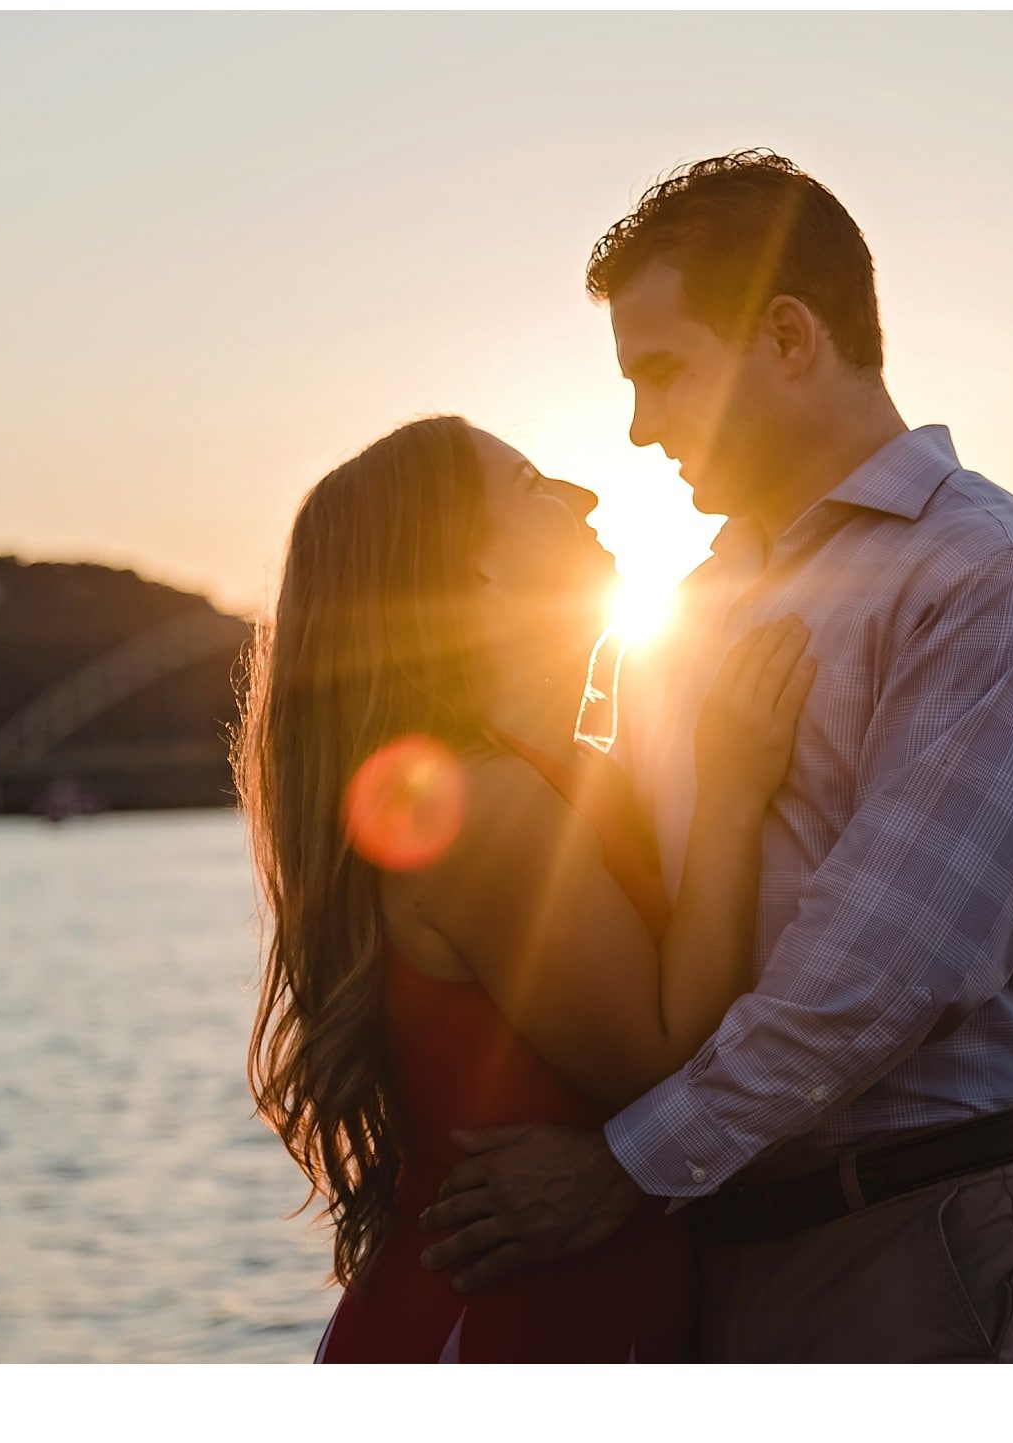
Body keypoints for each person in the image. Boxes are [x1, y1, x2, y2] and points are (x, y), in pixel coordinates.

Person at [417, 151, 1013, 1362]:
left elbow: (887, 967)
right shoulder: (693, 604)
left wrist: (617, 1172)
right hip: (706, 1233)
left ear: (788, 338)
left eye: (662, 374)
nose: (638, 430)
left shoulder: (990, 581)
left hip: (900, 1231)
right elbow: (608, 891)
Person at [233, 414, 817, 1361]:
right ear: (475, 575)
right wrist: (732, 797)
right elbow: (663, 1055)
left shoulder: (543, 776)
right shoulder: (483, 805)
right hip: (504, 1328)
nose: (584, 496)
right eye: (538, 489)